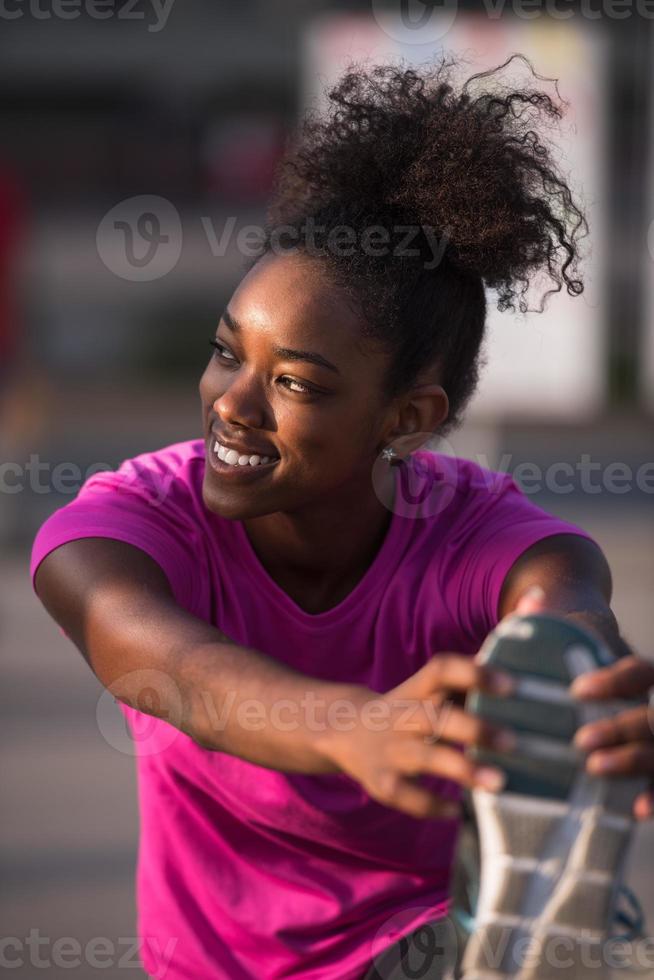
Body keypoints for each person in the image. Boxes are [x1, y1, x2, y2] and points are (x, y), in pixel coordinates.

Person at [30, 55, 654, 980]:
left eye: (294, 384)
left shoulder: (468, 529)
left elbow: (559, 589)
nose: (232, 405)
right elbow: (169, 668)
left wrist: (578, 691)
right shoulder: (127, 525)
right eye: (225, 353)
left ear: (407, 419)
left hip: (432, 933)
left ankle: (526, 919)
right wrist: (350, 728)